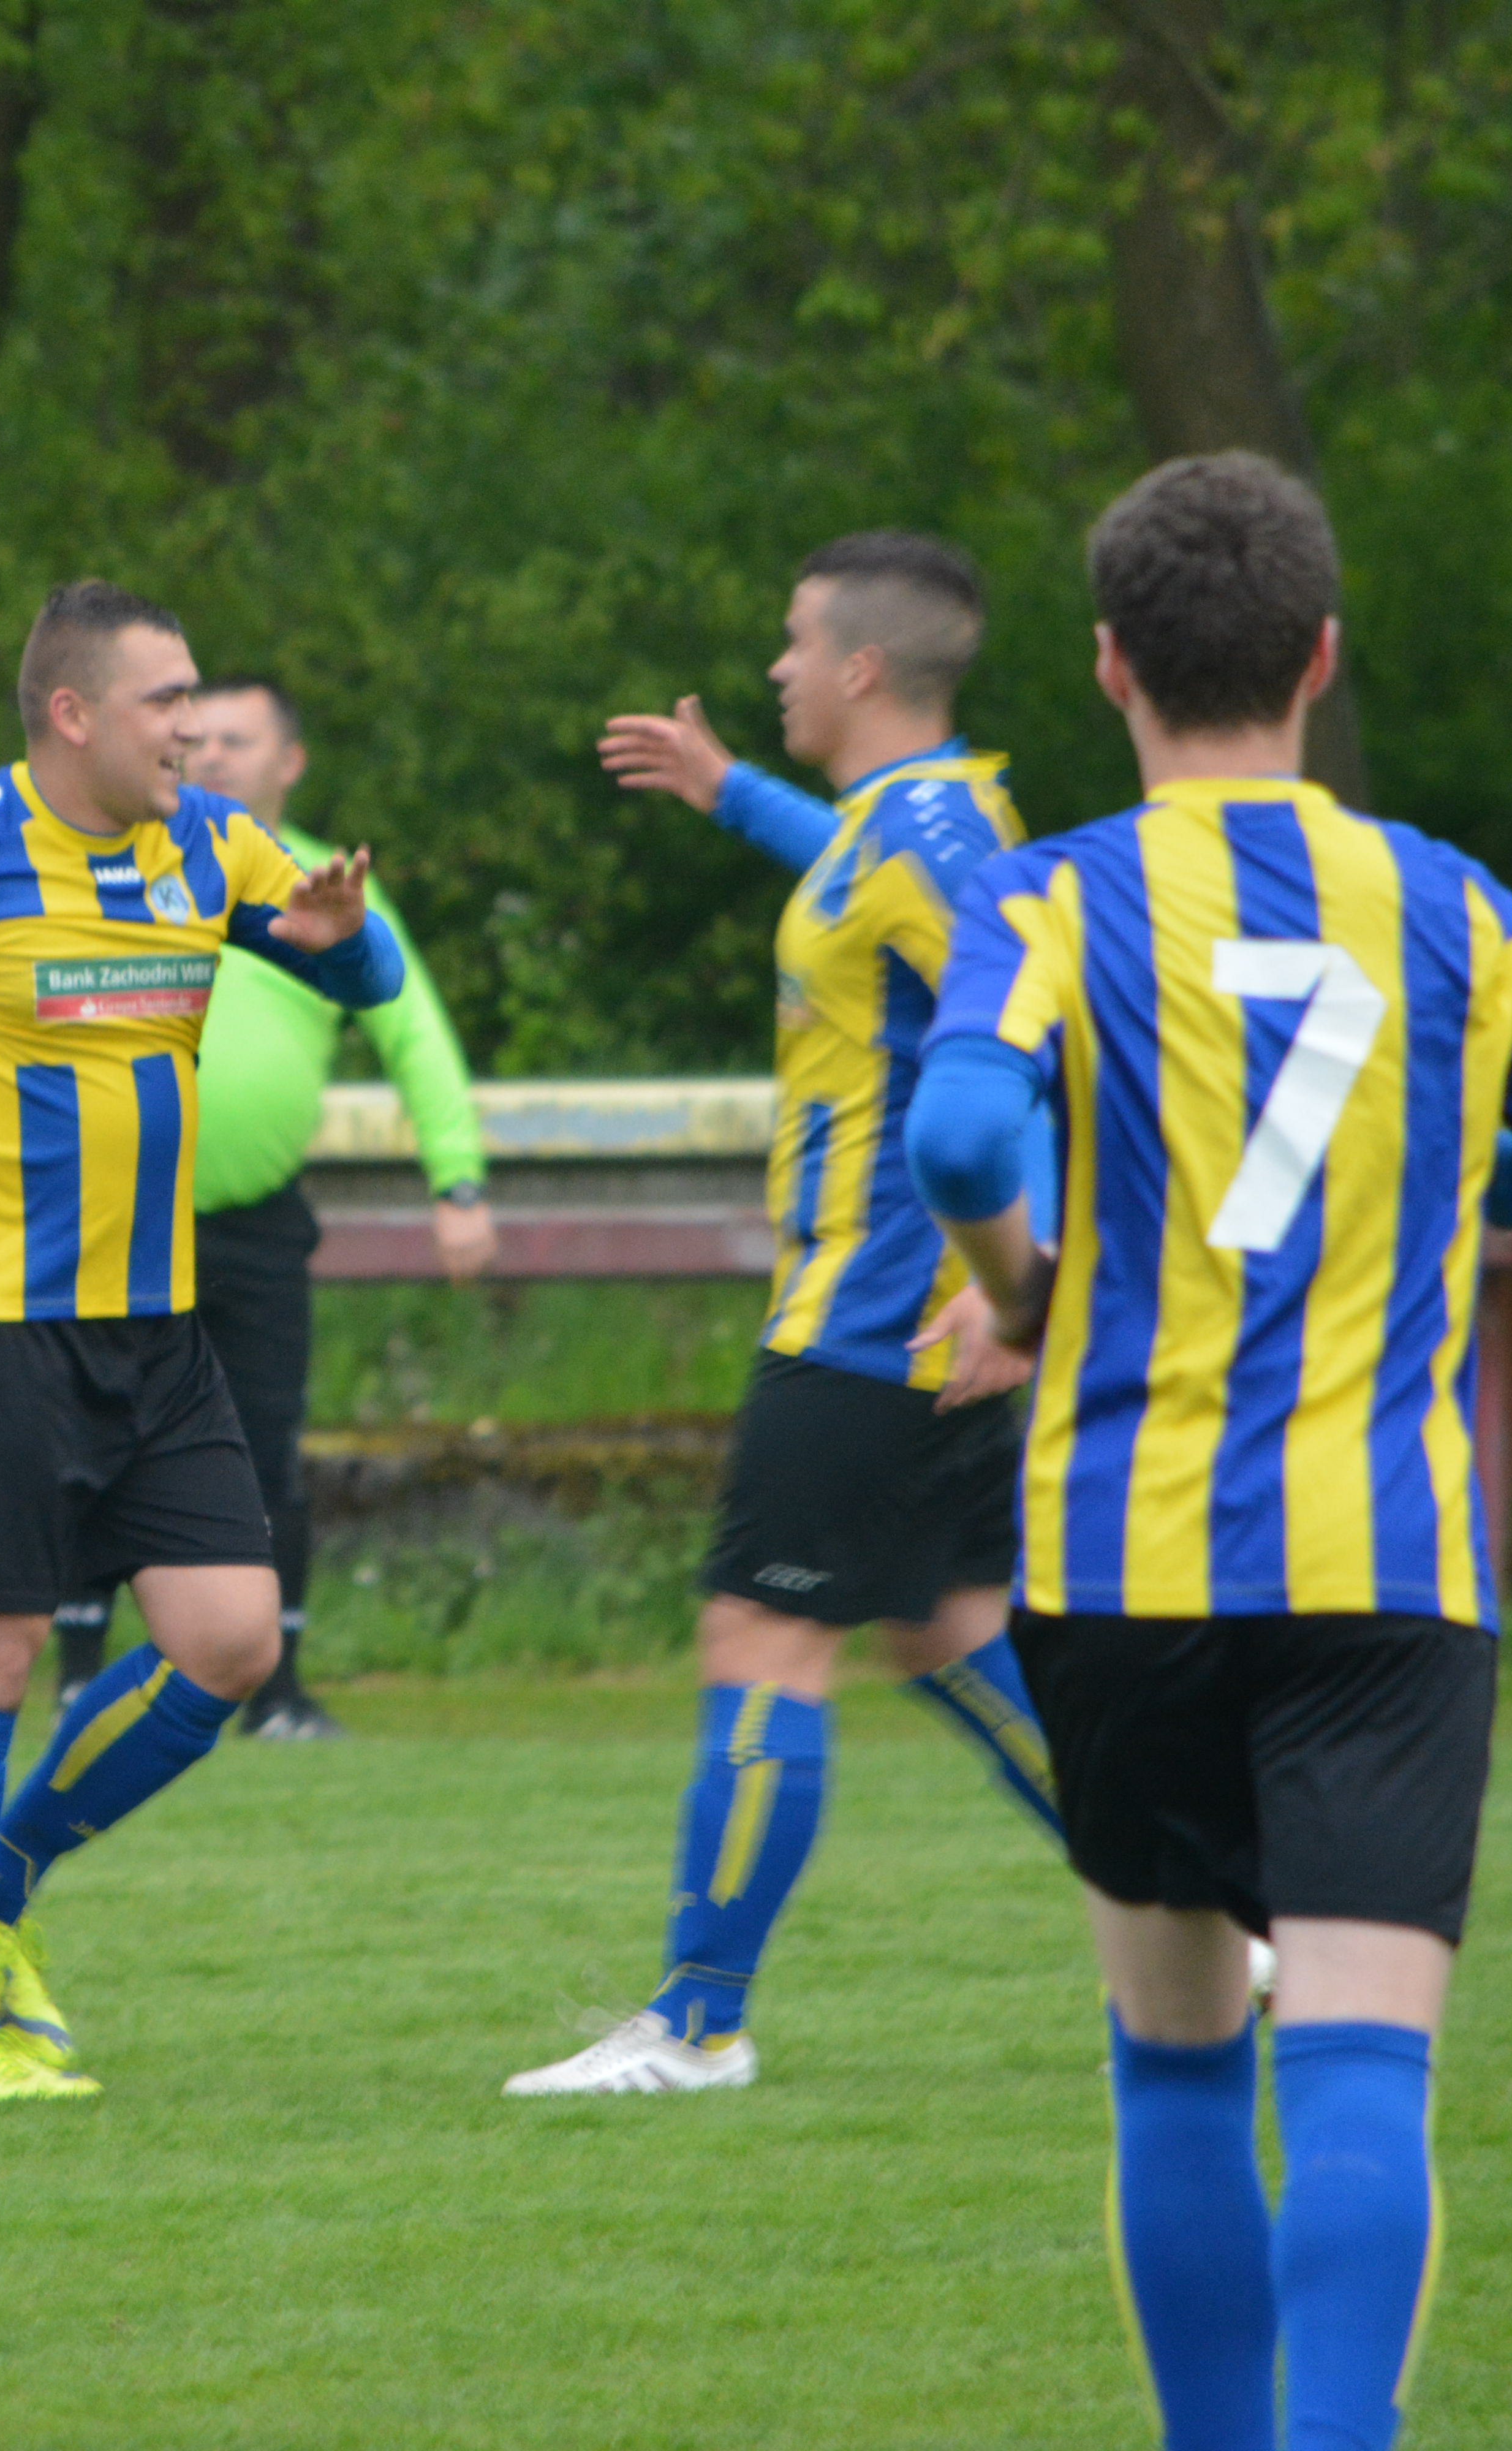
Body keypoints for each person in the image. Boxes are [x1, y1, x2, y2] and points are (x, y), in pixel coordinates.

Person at [906, 453, 1512, 2449]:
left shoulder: (1049, 892)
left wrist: (1018, 1289)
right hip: (1384, 1568)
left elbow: (964, 1133)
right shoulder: (1451, 905)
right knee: (1357, 2073)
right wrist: (1425, 1154)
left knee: (1177, 2066)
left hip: (1127, 1560)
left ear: (1110, 665)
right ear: (1321, 657)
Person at [0, 579, 403, 2102]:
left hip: (159, 1322)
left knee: (233, 1639)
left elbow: (369, 973)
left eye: (195, 694)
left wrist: (339, 942)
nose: (193, 725)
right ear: (72, 713)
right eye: (165, 699)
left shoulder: (211, 843)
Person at [497, 532, 1069, 2099]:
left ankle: (698, 2023)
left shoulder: (930, 832)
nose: (776, 666)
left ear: (862, 667)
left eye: (796, 641)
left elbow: (1046, 1035)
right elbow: (882, 901)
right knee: (949, 1628)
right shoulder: (912, 820)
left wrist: (1015, 1279)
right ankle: (1215, 1916)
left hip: (876, 1317)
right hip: (915, 1314)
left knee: (762, 1631)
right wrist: (732, 791)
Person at [49, 676, 495, 1741]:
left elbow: (415, 1034)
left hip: (254, 1228)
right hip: (112, 1215)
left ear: (289, 762)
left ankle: (276, 1689)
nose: (210, 756)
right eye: (195, 737)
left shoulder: (327, 888)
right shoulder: (126, 864)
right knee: (87, 1440)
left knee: (263, 1449)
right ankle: (75, 1674)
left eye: (237, 740)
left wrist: (459, 1183)